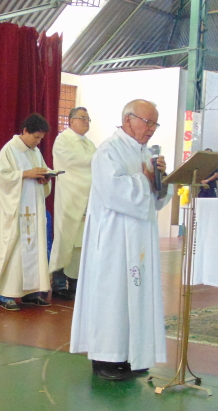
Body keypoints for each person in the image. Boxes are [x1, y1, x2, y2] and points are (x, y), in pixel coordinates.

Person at [70, 99, 172, 382]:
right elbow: (113, 190)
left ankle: (132, 355)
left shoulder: (145, 153)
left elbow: (157, 199)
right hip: (114, 239)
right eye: (147, 122)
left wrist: (162, 180)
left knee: (136, 295)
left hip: (139, 237)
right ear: (128, 119)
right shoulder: (109, 151)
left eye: (155, 123)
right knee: (112, 296)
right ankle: (105, 357)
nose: (151, 129)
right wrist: (146, 180)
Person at [0, 113, 52, 311]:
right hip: (14, 210)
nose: (38, 142)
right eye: (36, 137)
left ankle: (30, 292)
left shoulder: (35, 152)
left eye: (41, 138)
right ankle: (5, 294)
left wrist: (45, 177)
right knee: (14, 250)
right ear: (25, 131)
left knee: (33, 249)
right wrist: (26, 174)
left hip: (32, 208)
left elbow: (42, 171)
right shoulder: (9, 150)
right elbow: (3, 178)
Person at [48, 107, 96, 300]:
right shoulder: (63, 140)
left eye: (88, 118)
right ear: (71, 121)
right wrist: (96, 159)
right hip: (70, 197)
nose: (86, 121)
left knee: (81, 243)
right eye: (82, 118)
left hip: (87, 198)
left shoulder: (90, 144)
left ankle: (76, 283)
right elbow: (73, 163)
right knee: (65, 239)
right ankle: (59, 283)